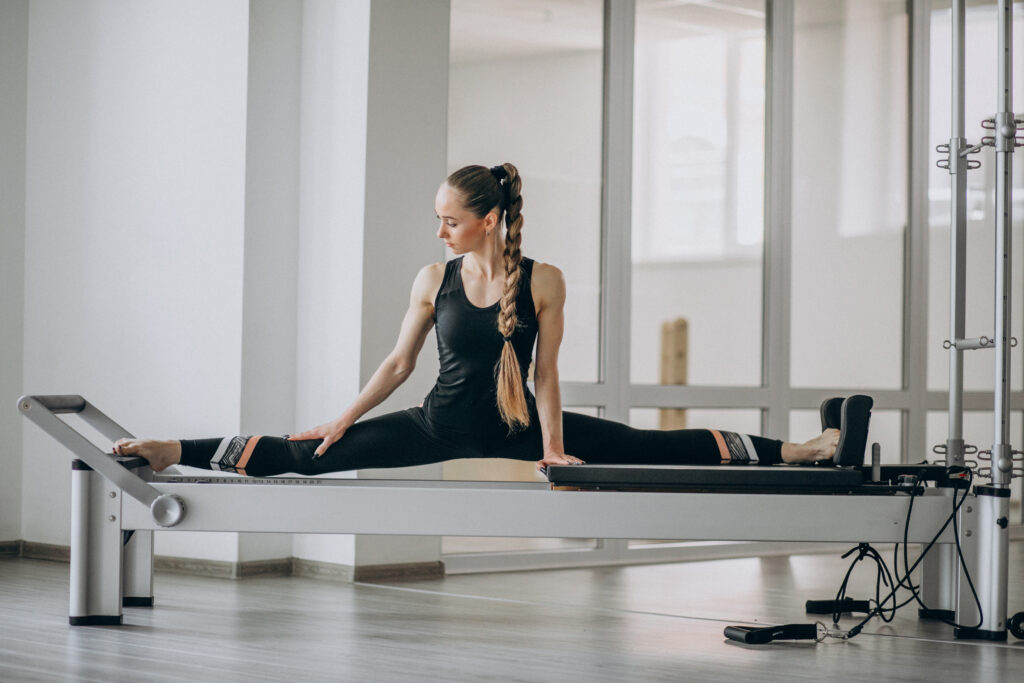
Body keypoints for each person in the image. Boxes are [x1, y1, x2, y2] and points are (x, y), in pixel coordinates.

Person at [113, 163, 839, 477]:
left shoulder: (544, 279)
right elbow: (399, 364)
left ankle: (800, 452)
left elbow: (546, 371)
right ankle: (170, 447)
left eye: (450, 221)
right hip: (437, 423)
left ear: (488, 219)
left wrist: (553, 447)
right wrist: (341, 418)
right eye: (437, 220)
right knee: (307, 456)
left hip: (523, 426)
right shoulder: (435, 278)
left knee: (650, 447)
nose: (440, 232)